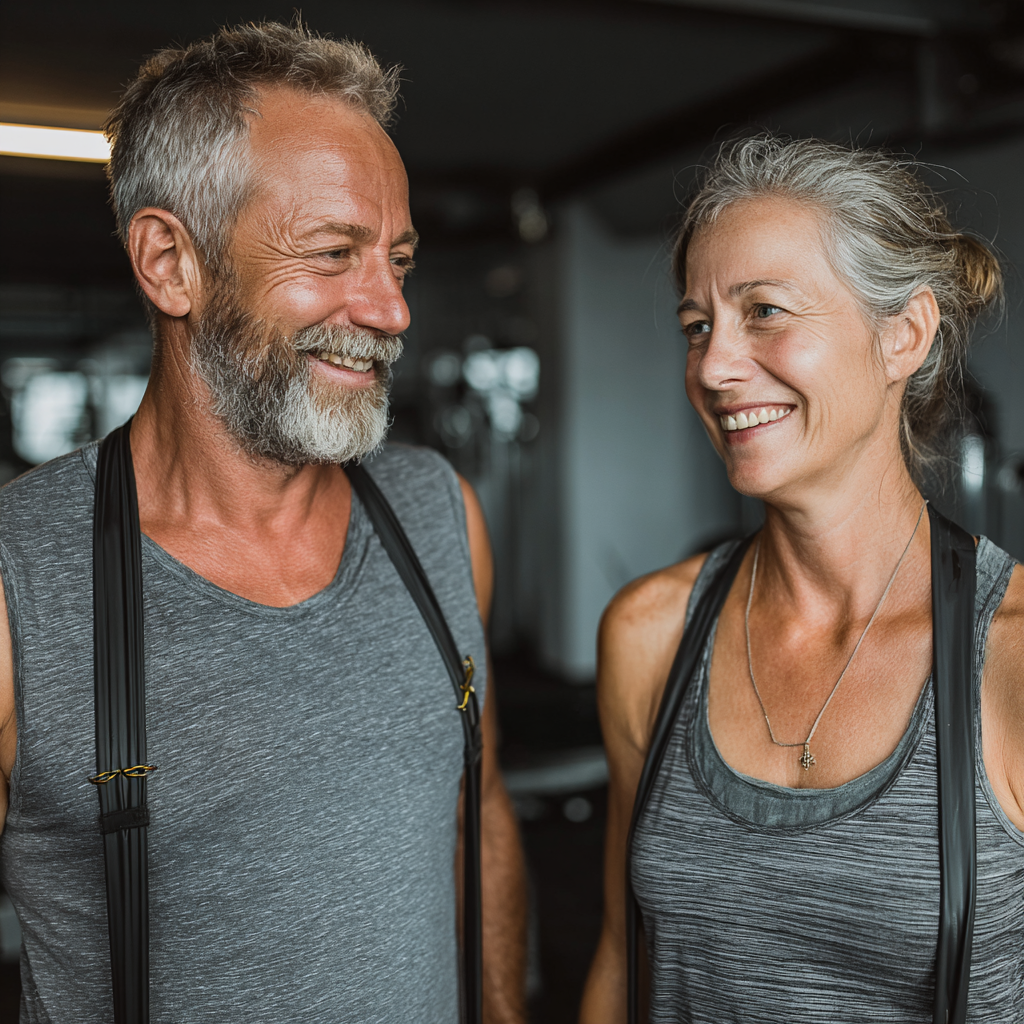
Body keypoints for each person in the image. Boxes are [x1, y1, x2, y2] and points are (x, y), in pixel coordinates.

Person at [0, 21, 528, 1023]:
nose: (389, 310)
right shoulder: (18, 580)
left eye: (398, 261)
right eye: (334, 253)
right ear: (170, 263)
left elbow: (479, 809)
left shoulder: (436, 515)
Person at [580, 134, 1024, 1022]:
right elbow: (622, 961)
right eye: (698, 326)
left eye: (767, 312)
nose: (712, 366)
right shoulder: (653, 633)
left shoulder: (1009, 656)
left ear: (903, 334)